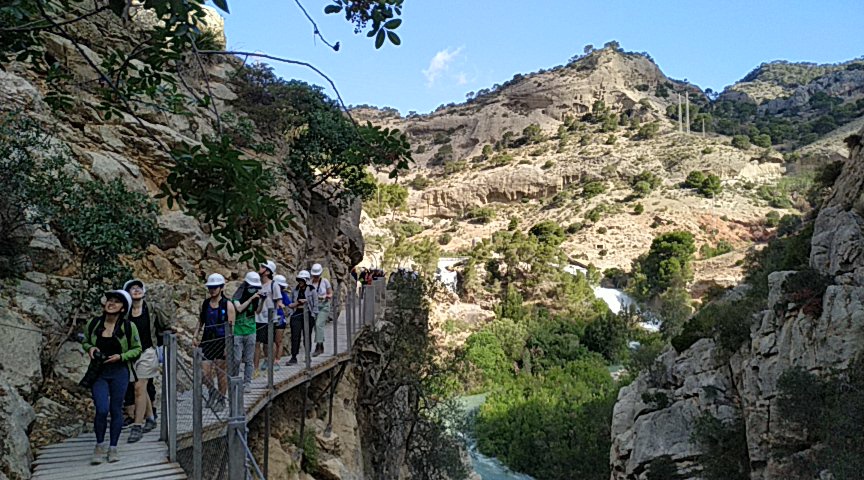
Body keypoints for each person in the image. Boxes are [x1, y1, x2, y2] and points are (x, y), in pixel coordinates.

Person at [81, 290, 142, 464]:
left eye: (116, 302)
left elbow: (137, 348)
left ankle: (113, 447)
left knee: (116, 409)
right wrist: (90, 348)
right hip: (99, 372)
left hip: (119, 372)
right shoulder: (94, 323)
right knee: (101, 409)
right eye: (110, 300)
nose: (111, 303)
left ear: (123, 308)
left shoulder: (128, 327)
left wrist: (121, 357)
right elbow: (85, 341)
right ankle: (99, 445)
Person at [122, 279, 173, 444]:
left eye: (138, 288)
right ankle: (150, 418)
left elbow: (165, 323)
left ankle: (137, 426)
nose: (136, 290)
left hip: (147, 352)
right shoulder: (125, 312)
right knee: (140, 389)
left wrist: (171, 330)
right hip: (130, 354)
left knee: (139, 387)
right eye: (132, 288)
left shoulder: (151, 309)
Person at [195, 273, 235, 412]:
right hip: (207, 340)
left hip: (221, 340)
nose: (212, 290)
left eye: (214, 287)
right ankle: (213, 391)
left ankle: (221, 399)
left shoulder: (227, 304)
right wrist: (196, 335)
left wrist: (227, 346)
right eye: (210, 287)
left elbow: (231, 327)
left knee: (221, 373)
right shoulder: (206, 303)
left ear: (221, 288)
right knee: (203, 372)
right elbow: (201, 320)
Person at [232, 271, 263, 386]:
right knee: (237, 359)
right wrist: (250, 299)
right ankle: (234, 380)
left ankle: (247, 382)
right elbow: (239, 309)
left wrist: (262, 300)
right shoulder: (237, 296)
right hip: (238, 331)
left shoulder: (255, 297)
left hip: (251, 330)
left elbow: (257, 311)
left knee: (249, 359)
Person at [254, 260, 284, 372]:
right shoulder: (257, 284)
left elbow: (278, 299)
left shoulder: (273, 285)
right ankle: (255, 368)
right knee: (256, 343)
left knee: (268, 343)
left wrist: (279, 306)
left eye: (262, 267)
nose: (260, 268)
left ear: (267, 272)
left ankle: (270, 362)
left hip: (269, 318)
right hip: (257, 317)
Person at [286, 270, 318, 365]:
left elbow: (315, 304)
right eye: (299, 280)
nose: (300, 282)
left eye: (302, 280)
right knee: (295, 336)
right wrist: (292, 311)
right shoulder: (295, 290)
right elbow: (291, 303)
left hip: (308, 314)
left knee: (307, 336)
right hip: (297, 314)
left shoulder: (312, 290)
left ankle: (307, 355)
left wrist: (313, 314)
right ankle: (294, 356)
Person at [309, 263, 333, 357]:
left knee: (319, 324)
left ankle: (318, 347)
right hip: (314, 307)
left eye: (317, 275)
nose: (316, 276)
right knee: (316, 326)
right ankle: (321, 346)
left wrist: (326, 296)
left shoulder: (325, 281)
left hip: (324, 306)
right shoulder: (310, 283)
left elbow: (330, 293)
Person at [273, 275, 292, 366]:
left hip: (280, 318)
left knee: (278, 341)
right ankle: (271, 358)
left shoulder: (283, 294)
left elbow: (289, 304)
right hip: (270, 318)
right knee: (270, 341)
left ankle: (277, 359)